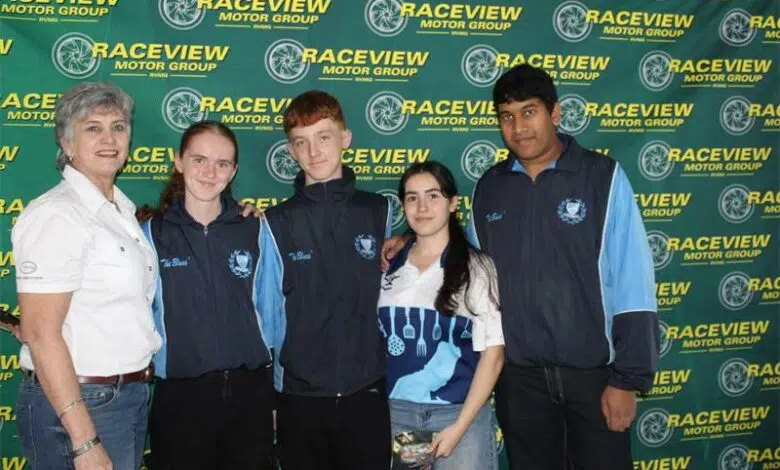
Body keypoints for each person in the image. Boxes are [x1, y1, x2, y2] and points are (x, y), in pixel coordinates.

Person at [385, 64, 659, 469]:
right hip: (519, 381)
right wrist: (409, 240)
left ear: (556, 113)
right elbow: (462, 256)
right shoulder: (491, 187)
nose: (519, 127)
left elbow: (635, 281)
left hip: (593, 377)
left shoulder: (603, 178)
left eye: (529, 112)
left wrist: (627, 379)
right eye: (507, 116)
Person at [12, 82, 159, 470]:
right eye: (92, 128)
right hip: (82, 404)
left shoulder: (120, 212)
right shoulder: (57, 215)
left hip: (125, 396)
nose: (109, 138)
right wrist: (84, 440)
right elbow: (42, 334)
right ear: (66, 142)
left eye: (118, 126)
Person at [257, 90, 392, 470]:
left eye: (324, 137)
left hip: (366, 393)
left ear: (345, 139)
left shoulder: (378, 211)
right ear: (291, 150)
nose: (314, 151)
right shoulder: (274, 222)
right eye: (302, 142)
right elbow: (265, 318)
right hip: (300, 398)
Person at [140, 121, 275, 469]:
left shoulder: (254, 228)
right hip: (181, 398)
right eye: (199, 159)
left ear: (233, 171)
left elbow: (273, 313)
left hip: (250, 395)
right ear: (178, 161)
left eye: (222, 163)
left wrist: (276, 392)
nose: (209, 172)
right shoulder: (150, 234)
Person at [379, 161, 504, 470]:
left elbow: (494, 354)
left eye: (433, 196)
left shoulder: (477, 267)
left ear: (452, 203)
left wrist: (459, 428)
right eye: (412, 197)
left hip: (460, 416)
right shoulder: (387, 267)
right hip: (401, 416)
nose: (422, 207)